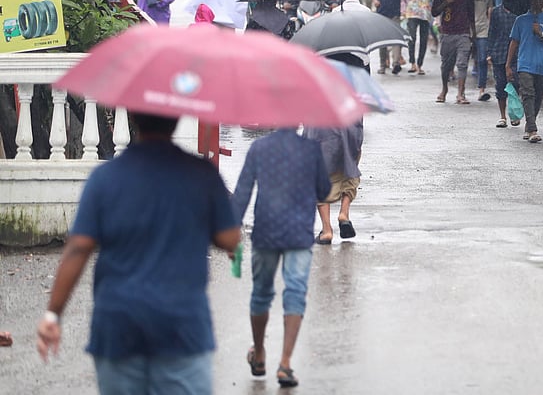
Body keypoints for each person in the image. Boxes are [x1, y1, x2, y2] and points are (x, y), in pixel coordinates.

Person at [35, 112, 241, 395]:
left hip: (118, 326)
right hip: (182, 327)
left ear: (132, 117)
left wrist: (52, 317)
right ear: (177, 117)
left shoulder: (105, 178)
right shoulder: (202, 175)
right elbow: (230, 239)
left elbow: (78, 248)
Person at [229, 127, 328, 389]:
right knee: (295, 292)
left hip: (266, 232)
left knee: (261, 292)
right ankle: (285, 363)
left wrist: (230, 232)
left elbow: (242, 193)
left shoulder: (259, 149)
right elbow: (324, 189)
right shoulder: (311, 150)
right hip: (298, 233)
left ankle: (259, 352)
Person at [506, 0, 543, 143]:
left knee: (538, 96)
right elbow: (514, 42)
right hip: (525, 64)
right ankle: (533, 129)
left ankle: (529, 125)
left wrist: (540, 33)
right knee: (527, 94)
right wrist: (508, 65)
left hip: (541, 64)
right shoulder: (520, 20)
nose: (539, 2)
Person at [431, 0, 475, 105]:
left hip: (463, 32)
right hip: (447, 32)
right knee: (446, 65)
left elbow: (471, 13)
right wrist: (445, 3)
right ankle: (444, 89)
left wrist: (472, 32)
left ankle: (461, 94)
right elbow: (434, 12)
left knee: (462, 64)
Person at [368, 0, 405, 74]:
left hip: (395, 11)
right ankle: (383, 64)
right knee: (382, 40)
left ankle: (395, 63)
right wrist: (375, 0)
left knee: (396, 38)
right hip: (382, 11)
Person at [488, 0, 518, 128]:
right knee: (500, 85)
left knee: (515, 84)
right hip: (499, 52)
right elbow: (492, 32)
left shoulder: (518, 13)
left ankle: (514, 114)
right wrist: (489, 53)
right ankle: (502, 116)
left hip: (516, 53)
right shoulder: (496, 12)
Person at [472, 0, 492, 101]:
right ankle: (461, 91)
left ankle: (482, 89)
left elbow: (489, 10)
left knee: (482, 59)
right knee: (463, 59)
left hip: (483, 29)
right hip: (469, 28)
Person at [404, 0, 432, 74]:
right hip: (412, 12)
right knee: (412, 38)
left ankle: (420, 65)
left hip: (425, 13)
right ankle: (412, 63)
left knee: (423, 40)